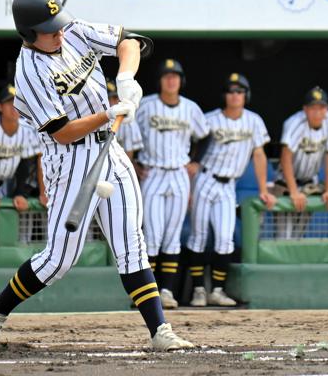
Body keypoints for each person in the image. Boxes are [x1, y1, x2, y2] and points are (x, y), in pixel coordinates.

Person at [0, 0, 193, 352]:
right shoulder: (28, 73)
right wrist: (107, 112)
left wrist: (125, 78)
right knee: (59, 259)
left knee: (132, 246)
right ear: (28, 34)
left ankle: (159, 332)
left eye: (57, 23)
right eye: (49, 28)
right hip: (71, 157)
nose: (59, 32)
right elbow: (61, 132)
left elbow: (129, 41)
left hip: (111, 149)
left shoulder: (71, 30)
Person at [186, 73, 276, 307]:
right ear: (225, 96)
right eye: (231, 91)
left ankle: (217, 290)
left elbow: (258, 154)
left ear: (246, 95)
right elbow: (194, 146)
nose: (235, 95)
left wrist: (263, 187)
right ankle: (198, 290)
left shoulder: (254, 120)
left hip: (229, 185)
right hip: (206, 179)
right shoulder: (210, 119)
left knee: (225, 239)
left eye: (240, 91)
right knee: (199, 236)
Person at [135, 58, 210, 309]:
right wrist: (133, 162)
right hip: (153, 172)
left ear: (180, 81)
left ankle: (166, 291)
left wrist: (195, 161)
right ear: (160, 80)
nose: (171, 79)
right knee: (152, 234)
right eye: (167, 75)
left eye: (175, 76)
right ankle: (148, 292)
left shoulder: (191, 108)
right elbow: (127, 131)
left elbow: (205, 136)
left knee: (173, 236)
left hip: (179, 173)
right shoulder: (145, 105)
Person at [273, 86, 328, 239]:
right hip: (286, 182)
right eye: (313, 108)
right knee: (284, 236)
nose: (318, 112)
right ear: (305, 109)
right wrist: (293, 191)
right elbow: (285, 157)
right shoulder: (294, 123)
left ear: (327, 109)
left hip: (309, 182)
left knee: (299, 234)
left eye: (321, 107)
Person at [0, 84, 41, 242]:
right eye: (10, 103)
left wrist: (20, 193)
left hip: (4, 186)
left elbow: (25, 164)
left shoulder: (26, 128)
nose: (15, 107)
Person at [106, 77, 144, 160]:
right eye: (108, 98)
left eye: (115, 98)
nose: (112, 102)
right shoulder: (90, 117)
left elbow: (128, 155)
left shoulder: (126, 121)